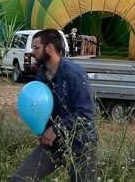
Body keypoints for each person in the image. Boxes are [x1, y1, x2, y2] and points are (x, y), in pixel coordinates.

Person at [11, 29, 98, 182]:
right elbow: (41, 107)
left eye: (36, 47)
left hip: (80, 144)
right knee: (20, 179)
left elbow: (86, 113)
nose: (32, 52)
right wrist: (43, 130)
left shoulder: (74, 74)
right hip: (54, 144)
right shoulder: (41, 74)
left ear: (50, 48)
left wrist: (56, 128)